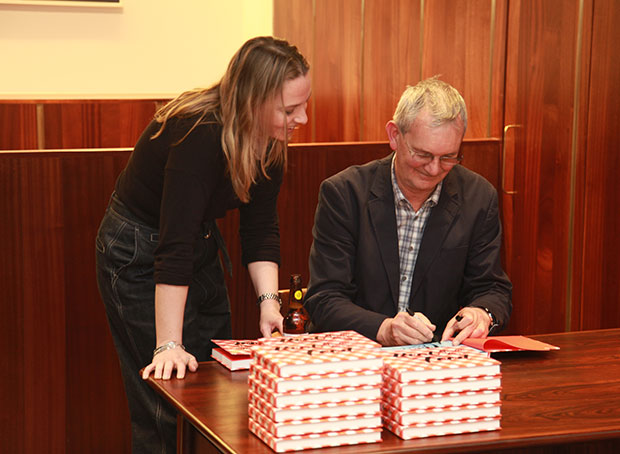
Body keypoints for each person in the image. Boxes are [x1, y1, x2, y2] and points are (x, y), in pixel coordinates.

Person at [95, 36, 310, 453]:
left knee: (216, 388)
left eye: (304, 104)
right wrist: (168, 344)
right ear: (253, 102)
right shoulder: (199, 131)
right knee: (167, 396)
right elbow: (173, 244)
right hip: (137, 247)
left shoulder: (271, 139)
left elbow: (260, 227)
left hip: (196, 241)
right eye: (289, 109)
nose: (301, 118)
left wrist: (269, 303)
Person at [304, 76, 511, 347]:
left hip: (434, 360)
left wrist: (480, 313)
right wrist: (383, 328)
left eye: (448, 157)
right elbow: (325, 298)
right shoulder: (345, 193)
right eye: (422, 155)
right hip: (354, 357)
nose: (435, 169)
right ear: (394, 135)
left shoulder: (478, 197)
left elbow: (492, 289)